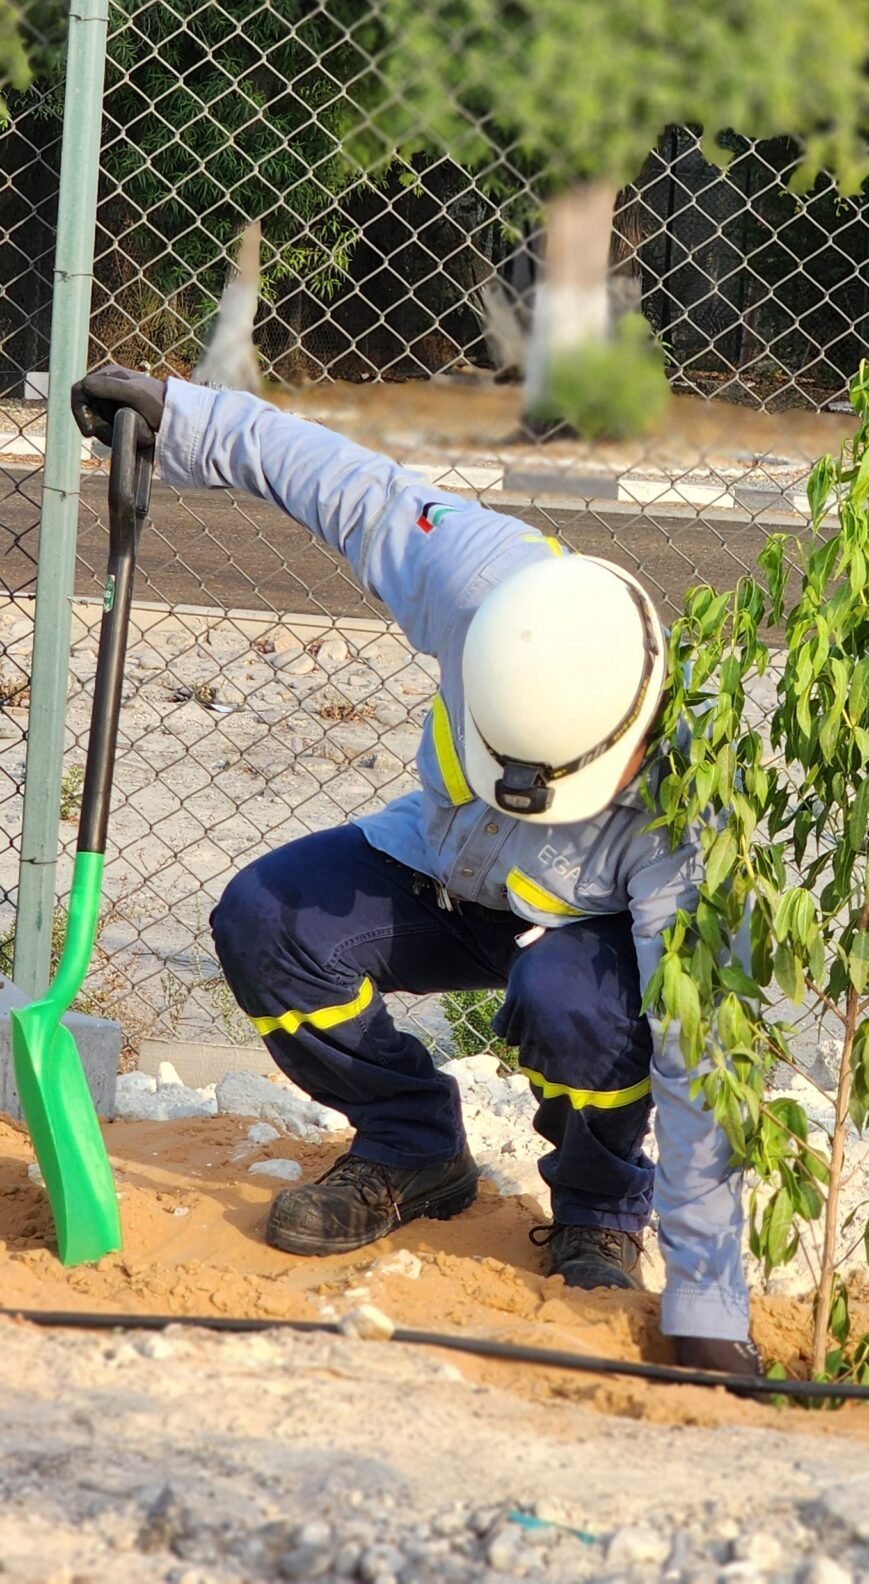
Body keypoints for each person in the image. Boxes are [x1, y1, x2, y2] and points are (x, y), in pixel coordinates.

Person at [72, 364, 759, 1379]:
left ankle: (599, 1209)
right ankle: (411, 1143)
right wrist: (184, 416)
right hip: (440, 868)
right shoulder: (487, 587)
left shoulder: (691, 802)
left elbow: (701, 1061)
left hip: (584, 942)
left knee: (572, 1004)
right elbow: (343, 486)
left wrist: (709, 1303)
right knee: (267, 920)